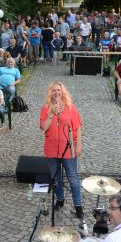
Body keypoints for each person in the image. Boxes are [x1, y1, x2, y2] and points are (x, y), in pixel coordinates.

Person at [39, 81, 84, 219]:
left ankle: (78, 206)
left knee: (73, 178)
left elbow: (77, 127)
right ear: (50, 93)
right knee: (56, 178)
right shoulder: (46, 108)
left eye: (59, 90)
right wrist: (51, 114)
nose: (56, 93)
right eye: (54, 90)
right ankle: (60, 199)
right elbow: (43, 127)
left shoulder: (71, 107)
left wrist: (78, 145)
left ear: (62, 92)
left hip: (68, 149)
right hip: (52, 150)